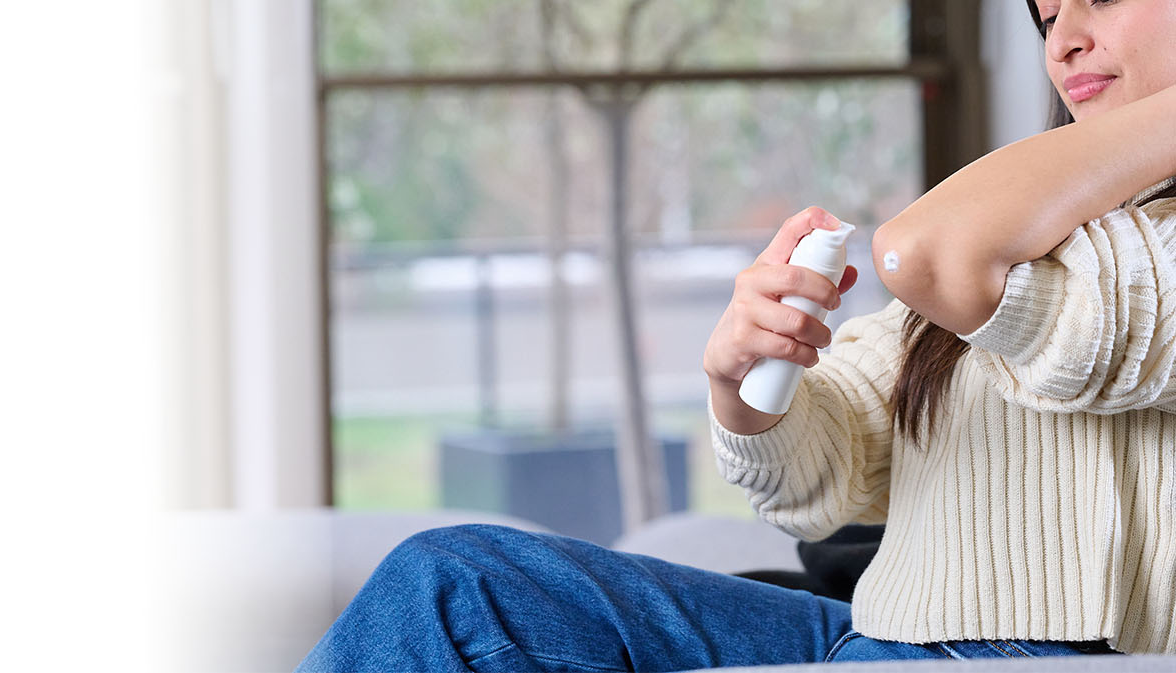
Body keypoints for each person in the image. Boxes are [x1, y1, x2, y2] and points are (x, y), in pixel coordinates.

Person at [296, 1, 1175, 669]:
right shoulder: (1038, 236)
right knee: (457, 584)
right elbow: (817, 479)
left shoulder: (1019, 245)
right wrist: (748, 381)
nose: (1062, 42)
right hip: (883, 634)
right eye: (1045, 16)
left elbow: (922, 253)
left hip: (1023, 654)